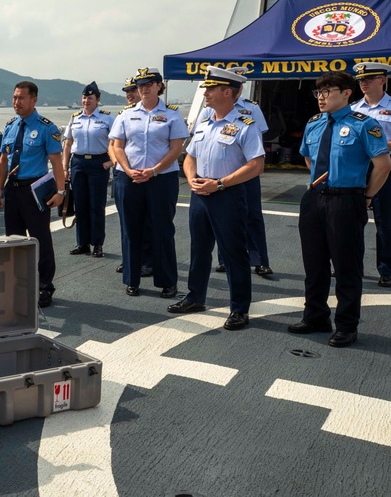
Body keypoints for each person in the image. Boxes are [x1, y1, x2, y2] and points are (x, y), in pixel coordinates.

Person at [290, 70, 391, 348]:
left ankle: (347, 326)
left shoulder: (364, 125)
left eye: (328, 92)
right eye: (318, 93)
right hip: (314, 199)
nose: (321, 98)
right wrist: (322, 182)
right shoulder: (313, 124)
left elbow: (383, 166)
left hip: (346, 201)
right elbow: (309, 159)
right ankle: (315, 317)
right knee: (314, 264)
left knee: (346, 266)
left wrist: (366, 197)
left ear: (346, 93)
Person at [169, 67, 265, 330]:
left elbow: (256, 165)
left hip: (227, 194)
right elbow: (190, 156)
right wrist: (191, 179)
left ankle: (239, 308)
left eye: (211, 88)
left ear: (227, 92)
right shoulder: (204, 121)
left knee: (234, 252)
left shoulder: (245, 126)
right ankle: (195, 296)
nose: (206, 92)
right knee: (199, 249)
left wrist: (220, 183)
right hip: (200, 192)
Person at [109, 67, 187, 298]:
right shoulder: (126, 114)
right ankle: (132, 279)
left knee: (162, 230)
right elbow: (117, 146)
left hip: (161, 179)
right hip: (129, 178)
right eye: (140, 84)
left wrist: (153, 171)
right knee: (130, 231)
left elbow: (176, 148)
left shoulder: (172, 114)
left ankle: (167, 281)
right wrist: (128, 169)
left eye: (149, 83)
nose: (143, 88)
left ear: (159, 86)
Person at [0, 81, 65, 308]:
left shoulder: (47, 128)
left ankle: (44, 285)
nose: (16, 102)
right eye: (14, 98)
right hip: (13, 191)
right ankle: (17, 284)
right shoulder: (10, 126)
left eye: (21, 98)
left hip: (35, 190)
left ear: (34, 100)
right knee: (14, 240)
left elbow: (56, 163)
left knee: (39, 239)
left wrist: (61, 191)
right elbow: (3, 160)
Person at [350, 61, 391, 287]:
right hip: (357, 166)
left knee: (385, 220)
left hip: (383, 165)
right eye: (360, 80)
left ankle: (387, 270)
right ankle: (349, 265)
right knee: (351, 218)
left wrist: (382, 146)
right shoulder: (352, 109)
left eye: (368, 79)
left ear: (383, 80)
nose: (363, 83)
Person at [201, 67, 273, 277]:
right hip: (221, 174)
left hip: (245, 173)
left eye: (240, 84)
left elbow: (257, 137)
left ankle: (260, 260)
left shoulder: (251, 108)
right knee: (222, 219)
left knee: (253, 215)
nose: (239, 88)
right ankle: (225, 259)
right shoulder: (208, 110)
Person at [62, 82, 115, 257]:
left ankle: (97, 244)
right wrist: (64, 167)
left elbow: (116, 143)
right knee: (80, 205)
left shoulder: (108, 118)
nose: (86, 101)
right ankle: (82, 243)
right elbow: (68, 144)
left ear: (98, 100)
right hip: (78, 163)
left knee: (97, 206)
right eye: (84, 97)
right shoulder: (75, 118)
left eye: (90, 98)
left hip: (98, 164)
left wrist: (110, 163)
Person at [110, 78, 154, 277]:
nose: (129, 95)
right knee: (126, 221)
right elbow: (113, 145)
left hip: (145, 175)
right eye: (126, 91)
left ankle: (147, 260)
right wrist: (119, 166)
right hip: (124, 173)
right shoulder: (124, 115)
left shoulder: (152, 114)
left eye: (132, 91)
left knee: (146, 222)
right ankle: (129, 260)